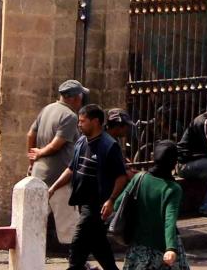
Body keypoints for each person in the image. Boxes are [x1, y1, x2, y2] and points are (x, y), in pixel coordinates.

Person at [48, 103, 128, 270]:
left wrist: (111, 200)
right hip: (83, 204)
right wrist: (53, 188)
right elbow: (72, 168)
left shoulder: (109, 146)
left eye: (83, 121)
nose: (79, 124)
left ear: (96, 122)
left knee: (77, 249)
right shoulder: (81, 142)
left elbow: (121, 177)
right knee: (100, 248)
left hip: (97, 207)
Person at [113, 140, 189, 270]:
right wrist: (170, 248)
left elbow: (118, 204)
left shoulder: (139, 178)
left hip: (138, 248)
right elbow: (169, 220)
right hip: (162, 248)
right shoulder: (172, 189)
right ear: (173, 162)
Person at [28, 80, 88, 244]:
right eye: (81, 95)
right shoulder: (69, 116)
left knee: (35, 221)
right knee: (70, 227)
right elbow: (57, 144)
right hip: (59, 177)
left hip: (40, 175)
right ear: (75, 97)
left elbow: (30, 135)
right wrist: (40, 152)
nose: (82, 99)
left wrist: (33, 159)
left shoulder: (47, 109)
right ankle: (78, 262)